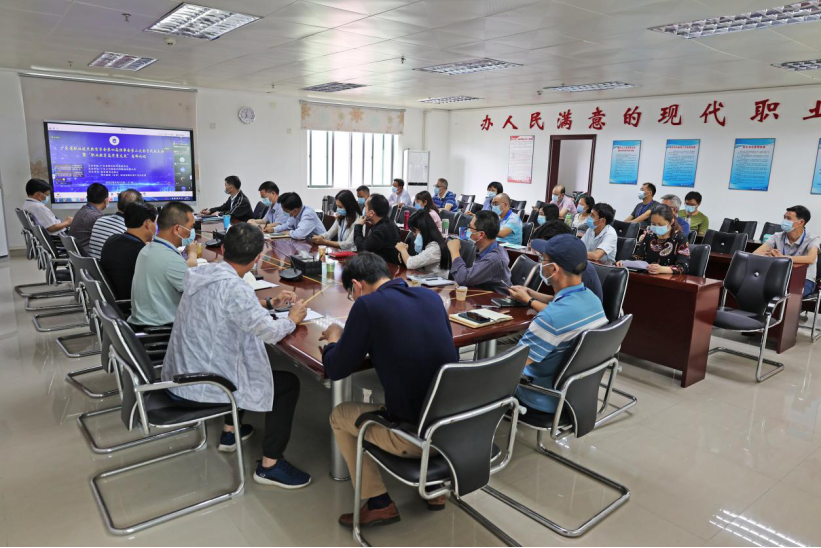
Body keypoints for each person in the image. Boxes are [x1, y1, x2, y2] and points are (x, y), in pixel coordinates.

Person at [162, 223, 312, 489]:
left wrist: (269, 303)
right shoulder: (236, 289)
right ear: (257, 258)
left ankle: (230, 431)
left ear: (222, 248)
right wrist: (292, 318)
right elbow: (270, 332)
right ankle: (271, 465)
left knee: (241, 361)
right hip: (202, 383)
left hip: (181, 370)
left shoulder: (201, 273)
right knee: (287, 384)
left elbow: (228, 307)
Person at [321, 252, 460, 527]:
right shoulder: (430, 297)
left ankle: (378, 503)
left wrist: (334, 340)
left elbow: (336, 369)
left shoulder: (368, 306)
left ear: (357, 286)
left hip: (414, 439)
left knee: (340, 415)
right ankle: (435, 489)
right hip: (455, 428)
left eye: (351, 294)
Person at [514, 235, 609, 414]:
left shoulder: (550, 319)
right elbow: (560, 302)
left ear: (554, 268)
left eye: (543, 259)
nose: (540, 263)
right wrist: (531, 295)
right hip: (574, 396)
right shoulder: (593, 299)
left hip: (539, 395)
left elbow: (512, 366)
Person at [130, 202, 199, 328]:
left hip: (145, 322)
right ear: (177, 229)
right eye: (191, 227)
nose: (191, 232)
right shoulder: (170, 259)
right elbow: (198, 294)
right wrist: (193, 255)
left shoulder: (147, 249)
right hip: (164, 329)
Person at [520, 221, 603, 302]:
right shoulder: (564, 262)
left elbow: (563, 309)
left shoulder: (577, 270)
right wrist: (530, 293)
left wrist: (529, 300)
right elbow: (558, 300)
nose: (542, 255)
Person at [754, 206, 820, 298]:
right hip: (780, 276)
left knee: (788, 294)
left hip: (804, 279)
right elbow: (755, 254)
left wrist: (783, 258)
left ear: (801, 222)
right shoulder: (777, 236)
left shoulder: (812, 238)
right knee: (755, 286)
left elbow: (811, 258)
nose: (784, 221)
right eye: (784, 217)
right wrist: (770, 254)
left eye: (788, 218)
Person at [100, 202, 158, 301]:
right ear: (148, 223)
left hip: (114, 300)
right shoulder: (142, 252)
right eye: (155, 223)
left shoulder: (112, 240)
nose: (156, 227)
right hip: (134, 303)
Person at [447, 210, 512, 293]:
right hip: (480, 294)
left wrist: (454, 251)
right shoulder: (487, 249)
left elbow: (463, 279)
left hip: (494, 298)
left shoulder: (493, 259)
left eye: (470, 227)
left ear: (481, 234)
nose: (467, 230)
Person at [619, 204, 691, 275]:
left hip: (668, 278)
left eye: (660, 224)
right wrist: (625, 263)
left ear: (671, 222)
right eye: (653, 224)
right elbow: (638, 256)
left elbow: (683, 266)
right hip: (647, 275)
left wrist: (662, 269)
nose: (656, 227)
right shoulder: (650, 235)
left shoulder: (680, 238)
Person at [88, 189, 143, 259]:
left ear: (117, 204)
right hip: (108, 265)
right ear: (137, 210)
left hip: (93, 265)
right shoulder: (128, 231)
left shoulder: (99, 221)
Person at [354, 194, 400, 265]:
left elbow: (362, 249)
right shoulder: (386, 222)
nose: (364, 209)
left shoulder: (381, 230)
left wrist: (358, 226)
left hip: (387, 267)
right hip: (379, 264)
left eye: (365, 207)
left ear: (371, 213)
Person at [68, 183, 110, 256]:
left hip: (78, 256)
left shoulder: (82, 211)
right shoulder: (97, 217)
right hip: (88, 257)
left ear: (87, 197)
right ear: (106, 201)